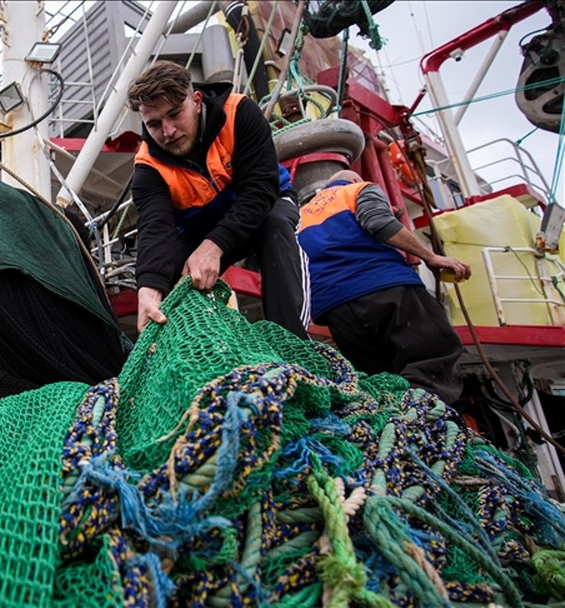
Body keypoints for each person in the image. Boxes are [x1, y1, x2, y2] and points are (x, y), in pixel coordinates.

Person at [127, 61, 309, 338]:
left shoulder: (239, 112)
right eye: (154, 124)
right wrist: (149, 287)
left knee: (275, 227)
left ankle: (291, 341)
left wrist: (214, 246)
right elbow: (156, 227)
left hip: (266, 206)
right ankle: (193, 351)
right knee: (169, 274)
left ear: (196, 101)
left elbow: (260, 189)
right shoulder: (147, 168)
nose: (168, 131)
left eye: (175, 114)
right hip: (199, 228)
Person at [297, 169, 471, 402]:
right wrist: (431, 257)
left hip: (337, 310)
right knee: (433, 359)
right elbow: (379, 223)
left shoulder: (300, 215)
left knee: (379, 378)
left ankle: (394, 424)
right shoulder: (357, 189)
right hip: (385, 287)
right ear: (355, 179)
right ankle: (424, 416)